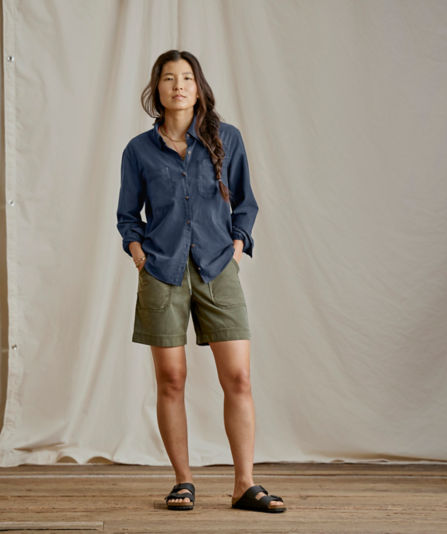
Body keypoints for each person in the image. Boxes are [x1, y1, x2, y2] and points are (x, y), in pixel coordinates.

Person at [116, 50, 286, 514]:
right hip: (163, 271)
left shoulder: (225, 139)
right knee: (171, 379)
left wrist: (237, 243)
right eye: (169, 78)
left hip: (216, 268)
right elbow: (128, 215)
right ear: (157, 89)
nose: (179, 85)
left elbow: (246, 203)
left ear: (198, 86)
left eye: (187, 77)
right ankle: (183, 481)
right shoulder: (138, 151)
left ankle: (244, 485)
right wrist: (137, 253)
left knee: (239, 377)